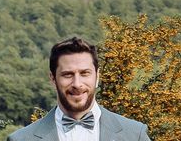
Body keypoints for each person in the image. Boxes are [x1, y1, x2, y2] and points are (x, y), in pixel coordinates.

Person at [8, 36, 151, 141]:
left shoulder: (134, 135)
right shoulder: (20, 139)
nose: (77, 83)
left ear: (97, 76)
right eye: (68, 74)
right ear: (53, 79)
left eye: (84, 73)